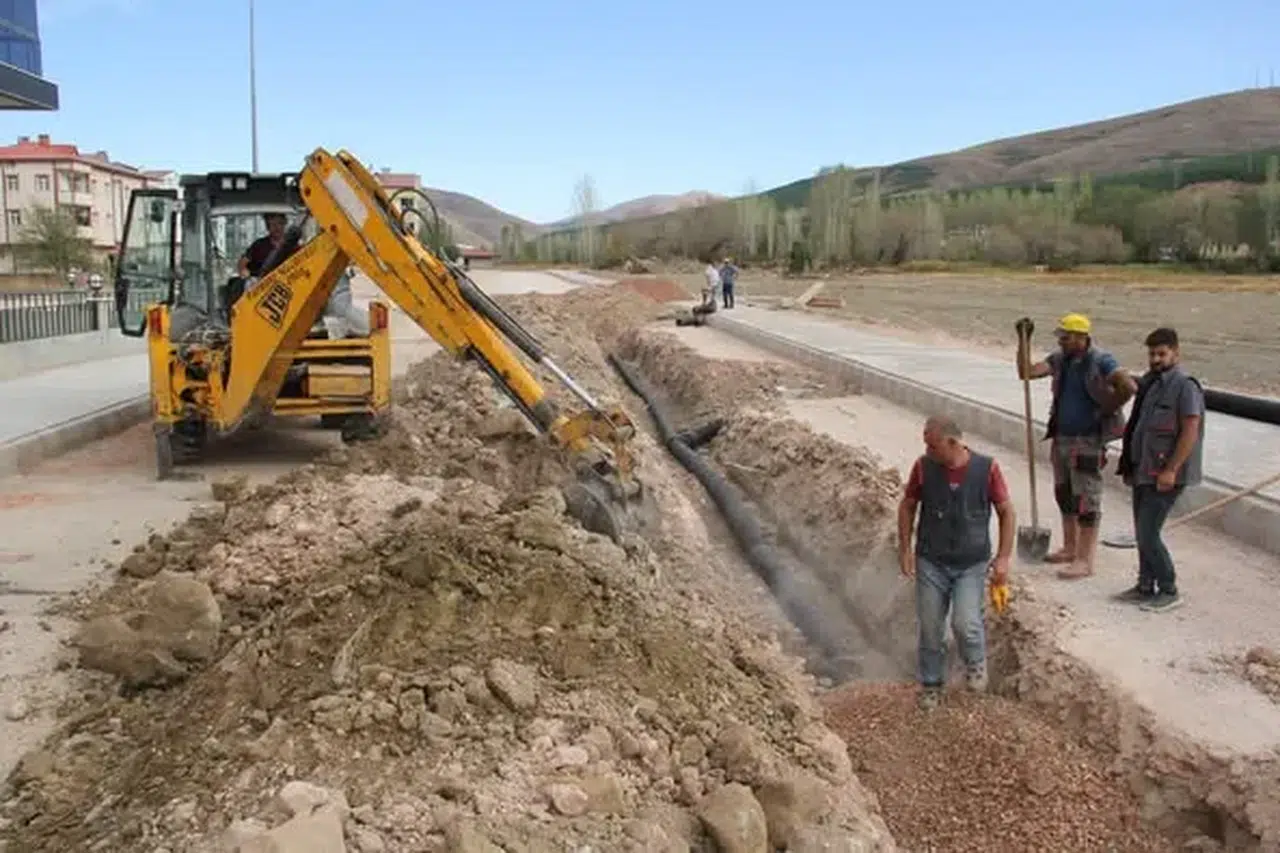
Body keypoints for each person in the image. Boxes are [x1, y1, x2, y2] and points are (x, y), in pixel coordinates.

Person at [898, 415, 1016, 710]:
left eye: (933, 445)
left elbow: (1006, 511)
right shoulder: (924, 468)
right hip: (931, 560)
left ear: (952, 443)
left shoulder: (986, 469)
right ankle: (931, 684)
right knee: (930, 626)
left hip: (970, 563)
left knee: (966, 623)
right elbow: (908, 504)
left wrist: (1003, 558)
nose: (928, 451)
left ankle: (976, 668)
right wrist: (905, 548)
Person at [1018, 313, 1136, 581]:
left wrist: (1109, 405)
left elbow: (1128, 385)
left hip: (1088, 441)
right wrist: (1023, 340)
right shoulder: (1061, 360)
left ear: (1082, 337)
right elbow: (1026, 372)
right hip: (1062, 438)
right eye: (1060, 336)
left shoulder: (1101, 361)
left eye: (1066, 337)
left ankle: (1085, 560)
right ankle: (1070, 549)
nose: (1061, 341)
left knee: (1086, 500)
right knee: (1066, 495)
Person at [1115, 327, 1204, 613]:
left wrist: (1172, 469)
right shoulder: (1152, 385)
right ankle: (1145, 586)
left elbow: (1190, 430)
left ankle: (1168, 589)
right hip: (1144, 469)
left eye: (1162, 353)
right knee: (1142, 531)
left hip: (1165, 473)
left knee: (1148, 533)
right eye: (1152, 353)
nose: (1156, 359)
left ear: (1176, 353)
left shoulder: (1184, 386)